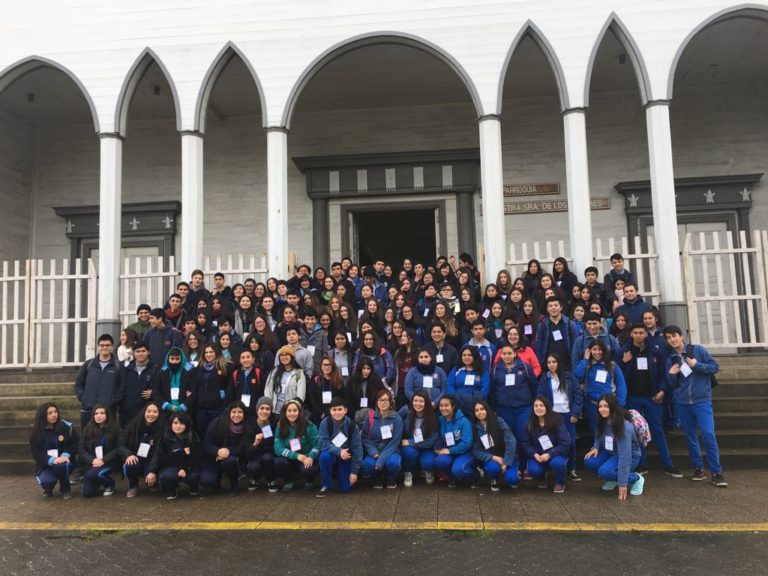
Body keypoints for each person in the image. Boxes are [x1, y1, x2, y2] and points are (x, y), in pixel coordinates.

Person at [664, 326, 726, 487]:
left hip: (702, 400)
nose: (673, 340)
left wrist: (696, 365)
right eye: (669, 337)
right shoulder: (670, 359)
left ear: (681, 336)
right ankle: (698, 469)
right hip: (683, 402)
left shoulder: (697, 350)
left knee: (708, 435)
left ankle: (716, 472)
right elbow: (672, 385)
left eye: (675, 336)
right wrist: (671, 374)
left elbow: (715, 367)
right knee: (690, 436)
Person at [620, 324, 681, 477]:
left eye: (641, 332)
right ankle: (642, 464)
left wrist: (662, 391)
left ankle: (667, 464)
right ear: (631, 334)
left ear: (646, 334)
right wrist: (624, 362)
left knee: (657, 430)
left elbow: (663, 372)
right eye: (635, 333)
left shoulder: (655, 351)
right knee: (636, 431)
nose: (639, 335)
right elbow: (618, 374)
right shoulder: (624, 351)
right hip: (633, 398)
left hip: (652, 397)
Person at [583, 394, 645, 499]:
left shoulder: (623, 427)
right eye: (600, 406)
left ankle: (637, 478)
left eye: (606, 406)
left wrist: (622, 484)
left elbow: (624, 457)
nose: (602, 409)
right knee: (590, 461)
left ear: (613, 407)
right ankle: (613, 477)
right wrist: (596, 447)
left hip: (629, 456)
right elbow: (598, 435)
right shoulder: (603, 420)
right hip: (611, 452)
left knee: (604, 472)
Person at [537, 353, 583, 481]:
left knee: (571, 443)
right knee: (550, 442)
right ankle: (551, 469)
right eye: (549, 362)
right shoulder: (544, 378)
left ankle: (571, 469)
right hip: (552, 415)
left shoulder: (569, 377)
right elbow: (540, 395)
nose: (551, 365)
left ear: (559, 363)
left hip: (568, 415)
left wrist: (575, 413)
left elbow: (578, 395)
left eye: (554, 362)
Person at [490, 344, 537, 468]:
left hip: (523, 408)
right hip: (504, 408)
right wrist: (494, 409)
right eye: (504, 354)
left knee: (523, 436)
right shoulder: (495, 369)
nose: (507, 356)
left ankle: (523, 465)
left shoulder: (525, 367)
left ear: (515, 354)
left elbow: (534, 386)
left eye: (509, 353)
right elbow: (493, 390)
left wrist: (534, 405)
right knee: (508, 437)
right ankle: (510, 465)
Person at [574, 340, 627, 435]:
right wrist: (585, 360)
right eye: (594, 349)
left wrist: (620, 403)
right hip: (591, 404)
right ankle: (598, 448)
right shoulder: (587, 365)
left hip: (609, 405)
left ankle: (610, 449)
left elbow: (621, 385)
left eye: (600, 349)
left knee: (610, 430)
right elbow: (577, 375)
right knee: (596, 431)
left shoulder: (612, 365)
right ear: (590, 351)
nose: (597, 352)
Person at [75, 333, 123, 432]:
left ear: (112, 347)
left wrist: (112, 402)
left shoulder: (118, 366)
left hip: (109, 411)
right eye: (102, 345)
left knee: (108, 438)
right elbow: (79, 383)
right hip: (89, 410)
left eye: (107, 345)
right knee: (87, 437)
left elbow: (122, 387)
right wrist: (84, 398)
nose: (104, 347)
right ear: (98, 347)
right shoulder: (88, 365)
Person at [521, 397, 570, 493]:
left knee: (557, 463)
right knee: (533, 470)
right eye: (536, 406)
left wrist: (549, 454)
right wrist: (534, 454)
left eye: (541, 405)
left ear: (547, 407)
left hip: (556, 454)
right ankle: (541, 478)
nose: (538, 408)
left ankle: (560, 482)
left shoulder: (557, 420)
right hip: (538, 455)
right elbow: (525, 443)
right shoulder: (529, 423)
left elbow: (565, 443)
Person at [201, 401, 252, 495]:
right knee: (206, 481)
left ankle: (234, 484)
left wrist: (225, 452)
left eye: (240, 412)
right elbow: (206, 445)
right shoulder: (217, 422)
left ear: (244, 413)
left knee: (230, 461)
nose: (236, 415)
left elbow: (243, 448)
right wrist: (217, 451)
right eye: (234, 412)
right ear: (229, 412)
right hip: (215, 458)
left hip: (234, 458)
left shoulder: (248, 426)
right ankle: (217, 479)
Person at [316, 397, 363, 497]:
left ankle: (342, 477)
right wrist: (338, 451)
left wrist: (354, 472)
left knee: (347, 489)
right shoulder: (325, 423)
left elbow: (357, 449)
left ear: (345, 410)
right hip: (331, 453)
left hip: (346, 457)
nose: (337, 412)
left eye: (340, 409)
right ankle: (326, 485)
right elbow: (322, 443)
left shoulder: (352, 426)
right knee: (324, 457)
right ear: (330, 411)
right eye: (334, 410)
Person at [29, 402, 78, 499]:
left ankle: (65, 489)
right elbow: (36, 452)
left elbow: (76, 444)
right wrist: (52, 460)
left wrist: (65, 455)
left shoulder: (67, 427)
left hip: (64, 461)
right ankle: (48, 488)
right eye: (50, 413)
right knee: (47, 481)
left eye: (55, 412)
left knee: (61, 466)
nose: (54, 415)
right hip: (46, 463)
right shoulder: (36, 431)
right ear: (43, 415)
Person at [149, 411, 201, 500]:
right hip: (171, 466)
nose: (178, 426)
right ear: (171, 423)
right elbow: (162, 457)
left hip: (189, 466)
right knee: (167, 476)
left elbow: (196, 457)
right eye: (175, 423)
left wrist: (185, 469)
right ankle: (172, 489)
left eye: (182, 423)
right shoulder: (164, 436)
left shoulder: (193, 436)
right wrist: (152, 471)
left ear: (187, 425)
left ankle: (194, 487)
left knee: (194, 476)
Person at [471, 400, 519, 491]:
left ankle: (515, 472)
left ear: (487, 409)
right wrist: (493, 457)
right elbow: (476, 450)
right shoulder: (476, 428)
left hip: (507, 456)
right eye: (476, 410)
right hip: (491, 458)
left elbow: (511, 442)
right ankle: (494, 479)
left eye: (482, 409)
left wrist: (506, 462)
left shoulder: (499, 421)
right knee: (492, 468)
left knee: (512, 479)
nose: (479, 412)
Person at [119, 401, 165, 498]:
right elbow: (120, 444)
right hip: (136, 458)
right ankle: (133, 485)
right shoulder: (133, 426)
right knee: (131, 464)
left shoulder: (162, 429)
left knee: (154, 485)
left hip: (152, 460)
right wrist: (128, 454)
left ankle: (153, 479)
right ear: (144, 412)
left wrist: (152, 471)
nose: (151, 414)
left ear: (159, 414)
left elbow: (159, 452)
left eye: (155, 412)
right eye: (149, 411)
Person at [273, 399, 320, 492]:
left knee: (309, 470)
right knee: (279, 462)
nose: (292, 413)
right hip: (291, 457)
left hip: (306, 457)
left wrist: (311, 456)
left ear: (300, 412)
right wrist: (296, 456)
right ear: (285, 412)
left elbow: (317, 444)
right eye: (289, 411)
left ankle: (309, 481)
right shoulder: (280, 426)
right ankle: (289, 481)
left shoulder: (309, 425)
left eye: (295, 410)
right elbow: (278, 448)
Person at [362, 389, 403, 489]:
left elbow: (395, 442)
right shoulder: (370, 417)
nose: (383, 403)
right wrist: (373, 452)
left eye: (386, 400)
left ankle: (391, 479)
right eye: (380, 400)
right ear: (377, 402)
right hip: (374, 450)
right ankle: (377, 479)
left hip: (391, 450)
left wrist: (381, 460)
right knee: (367, 464)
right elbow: (365, 437)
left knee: (394, 463)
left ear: (390, 402)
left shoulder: (397, 418)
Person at [78, 403, 120, 498]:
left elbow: (118, 448)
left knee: (92, 475)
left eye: (102, 413)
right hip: (93, 462)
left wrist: (103, 460)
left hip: (109, 462)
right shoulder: (88, 429)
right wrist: (92, 460)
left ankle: (110, 484)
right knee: (87, 494)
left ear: (107, 415)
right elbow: (81, 448)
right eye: (96, 413)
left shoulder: (115, 428)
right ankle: (96, 482)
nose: (99, 416)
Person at [434, 395, 476, 488]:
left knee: (458, 470)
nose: (443, 408)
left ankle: (475, 476)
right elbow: (439, 437)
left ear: (453, 406)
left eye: (446, 405)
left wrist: (450, 451)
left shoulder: (464, 421)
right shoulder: (441, 419)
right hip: (451, 451)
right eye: (441, 405)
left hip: (465, 452)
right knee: (439, 460)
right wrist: (437, 446)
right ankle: (453, 478)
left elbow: (467, 443)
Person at [399, 390, 439, 487]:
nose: (418, 404)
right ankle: (408, 473)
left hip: (426, 447)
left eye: (421, 401)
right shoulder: (405, 410)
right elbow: (396, 423)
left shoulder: (432, 416)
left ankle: (428, 471)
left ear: (426, 402)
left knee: (428, 463)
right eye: (415, 400)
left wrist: (410, 442)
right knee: (408, 452)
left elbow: (431, 440)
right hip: (410, 447)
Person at [535, 297, 578, 371]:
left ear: (561, 307)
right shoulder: (542, 325)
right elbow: (539, 346)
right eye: (550, 306)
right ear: (547, 309)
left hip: (567, 365)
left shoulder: (570, 324)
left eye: (556, 305)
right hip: (548, 365)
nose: (553, 308)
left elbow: (576, 344)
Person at [246, 397, 279, 492]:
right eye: (262, 408)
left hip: (268, 452)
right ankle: (254, 478)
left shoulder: (275, 422)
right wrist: (255, 443)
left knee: (267, 458)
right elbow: (247, 451)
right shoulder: (250, 424)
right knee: (254, 467)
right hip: (255, 453)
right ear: (257, 410)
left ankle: (271, 479)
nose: (264, 411)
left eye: (267, 409)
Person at [447, 345, 490, 416]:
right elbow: (450, 385)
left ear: (475, 356)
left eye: (470, 355)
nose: (466, 357)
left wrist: (473, 401)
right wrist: (457, 398)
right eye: (464, 355)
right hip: (458, 406)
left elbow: (485, 390)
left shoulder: (482, 371)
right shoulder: (455, 370)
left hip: (476, 407)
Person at [119, 341, 154, 427]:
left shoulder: (155, 369)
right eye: (137, 351)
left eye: (143, 351)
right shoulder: (126, 370)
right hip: (128, 414)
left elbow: (161, 388)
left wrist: (153, 392)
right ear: (134, 353)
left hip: (147, 414)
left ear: (148, 352)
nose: (140, 354)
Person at [264, 345, 307, 414]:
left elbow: (300, 395)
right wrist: (268, 407)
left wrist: (294, 409)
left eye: (287, 354)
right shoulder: (274, 371)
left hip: (290, 413)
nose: (284, 357)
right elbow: (268, 391)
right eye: (281, 355)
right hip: (274, 411)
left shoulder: (299, 373)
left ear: (292, 357)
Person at [345, 356, 386, 425]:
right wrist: (354, 415)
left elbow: (382, 395)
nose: (366, 371)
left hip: (373, 416)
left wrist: (376, 413)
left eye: (368, 369)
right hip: (355, 416)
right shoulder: (352, 380)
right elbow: (347, 400)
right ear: (359, 368)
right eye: (364, 368)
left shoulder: (376, 379)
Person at [153, 347, 193, 415]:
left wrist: (182, 407)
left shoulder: (190, 371)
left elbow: (194, 392)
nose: (174, 361)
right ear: (168, 359)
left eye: (177, 359)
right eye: (172, 359)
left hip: (186, 412)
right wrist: (167, 406)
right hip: (166, 412)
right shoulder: (162, 372)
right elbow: (156, 392)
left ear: (182, 359)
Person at [306, 357, 345, 425]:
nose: (326, 367)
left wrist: (327, 412)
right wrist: (320, 413)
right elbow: (312, 399)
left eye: (329, 365)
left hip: (334, 414)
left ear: (333, 366)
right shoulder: (315, 380)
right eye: (324, 365)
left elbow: (341, 399)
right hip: (317, 416)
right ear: (321, 366)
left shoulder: (338, 382)